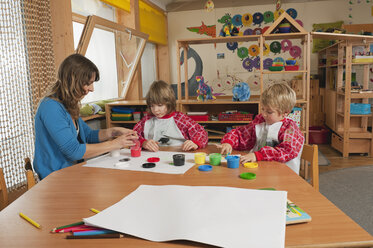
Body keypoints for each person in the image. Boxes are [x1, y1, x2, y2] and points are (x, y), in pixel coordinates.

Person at [34, 54, 138, 179]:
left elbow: (88, 135)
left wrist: (113, 132)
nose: (92, 89)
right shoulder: (51, 107)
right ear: (73, 81)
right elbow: (74, 151)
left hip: (72, 172)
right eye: (88, 83)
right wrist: (115, 144)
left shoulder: (68, 104)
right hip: (54, 177)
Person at [218, 83, 304, 174]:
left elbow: (288, 150)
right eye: (262, 109)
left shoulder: (290, 128)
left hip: (283, 175)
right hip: (260, 171)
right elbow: (241, 134)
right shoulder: (260, 121)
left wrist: (258, 155)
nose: (264, 114)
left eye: (269, 112)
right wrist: (228, 142)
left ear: (285, 113)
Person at [133, 80, 208, 152]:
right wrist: (143, 143)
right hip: (153, 156)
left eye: (160, 105)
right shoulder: (146, 120)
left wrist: (195, 143)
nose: (155, 110)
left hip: (178, 154)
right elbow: (133, 136)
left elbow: (201, 133)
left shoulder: (180, 119)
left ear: (169, 103)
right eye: (152, 106)